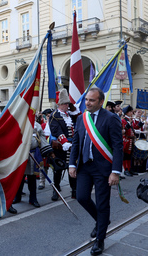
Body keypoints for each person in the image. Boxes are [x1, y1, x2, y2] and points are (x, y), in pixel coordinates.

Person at [69, 88, 123, 256]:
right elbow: (76, 143)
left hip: (103, 169)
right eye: (86, 100)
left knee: (102, 204)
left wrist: (115, 171)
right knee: (82, 197)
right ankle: (102, 221)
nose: (88, 103)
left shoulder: (111, 119)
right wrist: (72, 164)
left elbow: (117, 146)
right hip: (85, 166)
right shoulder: (81, 119)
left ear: (101, 102)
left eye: (92, 100)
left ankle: (100, 239)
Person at [12, 120, 54, 209]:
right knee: (20, 177)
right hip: (21, 154)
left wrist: (48, 151)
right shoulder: (18, 120)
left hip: (33, 154)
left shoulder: (36, 125)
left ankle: (33, 199)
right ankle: (17, 197)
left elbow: (42, 137)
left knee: (32, 178)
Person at [49, 89, 79, 200]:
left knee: (72, 169)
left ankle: (74, 190)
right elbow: (56, 130)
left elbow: (80, 120)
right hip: (60, 147)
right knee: (58, 170)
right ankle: (55, 191)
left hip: (72, 146)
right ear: (60, 104)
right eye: (66, 104)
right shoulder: (54, 115)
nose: (68, 105)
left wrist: (75, 110)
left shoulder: (70, 115)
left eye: (68, 103)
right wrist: (64, 142)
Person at [121, 105, 137, 177]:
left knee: (130, 155)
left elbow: (133, 128)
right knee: (125, 155)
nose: (131, 113)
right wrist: (130, 123)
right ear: (126, 113)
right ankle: (126, 169)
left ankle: (130, 169)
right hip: (126, 140)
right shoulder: (123, 120)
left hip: (130, 139)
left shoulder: (130, 119)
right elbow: (124, 130)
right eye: (130, 112)